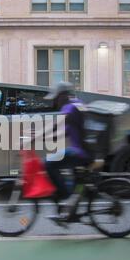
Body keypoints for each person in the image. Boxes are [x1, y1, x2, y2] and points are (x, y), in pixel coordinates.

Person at [43, 82, 93, 222]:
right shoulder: (78, 104)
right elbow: (66, 131)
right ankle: (69, 211)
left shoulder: (69, 107)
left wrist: (36, 137)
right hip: (88, 151)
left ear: (63, 95)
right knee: (74, 179)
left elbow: (56, 125)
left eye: (56, 97)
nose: (55, 101)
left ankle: (64, 198)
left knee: (48, 163)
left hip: (79, 153)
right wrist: (44, 137)